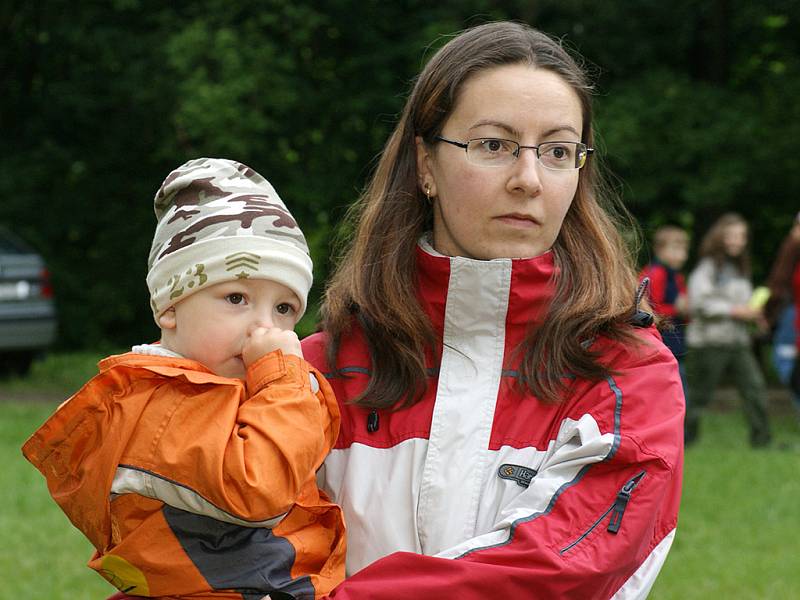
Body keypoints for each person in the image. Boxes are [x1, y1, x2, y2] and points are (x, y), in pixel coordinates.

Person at [301, 21, 684, 599]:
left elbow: (557, 571)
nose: (528, 179)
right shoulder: (316, 374)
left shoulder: (629, 375)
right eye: (493, 145)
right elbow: (233, 547)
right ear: (425, 164)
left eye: (556, 151)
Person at [22, 158, 345, 599]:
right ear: (169, 307)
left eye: (284, 309)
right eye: (237, 297)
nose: (264, 327)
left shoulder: (241, 392)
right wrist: (285, 382)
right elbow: (257, 488)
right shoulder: (157, 401)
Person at [684, 212, 772, 447]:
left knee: (755, 390)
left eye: (741, 236)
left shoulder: (740, 268)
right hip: (709, 342)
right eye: (731, 236)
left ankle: (762, 442)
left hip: (738, 341)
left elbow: (743, 305)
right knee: (699, 396)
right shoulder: (707, 267)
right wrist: (735, 311)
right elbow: (699, 304)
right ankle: (683, 443)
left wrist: (754, 317)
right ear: (720, 238)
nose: (737, 241)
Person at [639, 225, 690, 391]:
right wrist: (677, 309)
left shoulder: (676, 276)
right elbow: (651, 310)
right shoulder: (656, 273)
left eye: (684, 249)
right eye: (676, 249)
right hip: (660, 338)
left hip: (675, 337)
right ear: (659, 250)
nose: (682, 255)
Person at [764, 212, 800, 412]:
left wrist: (769, 314)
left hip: (793, 317)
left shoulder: (792, 248)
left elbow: (778, 285)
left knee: (786, 360)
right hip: (793, 316)